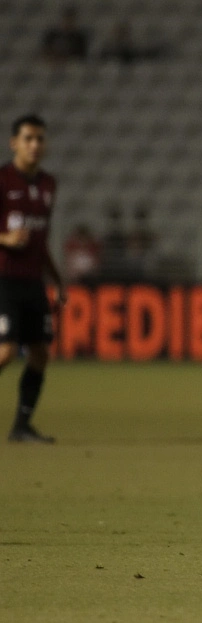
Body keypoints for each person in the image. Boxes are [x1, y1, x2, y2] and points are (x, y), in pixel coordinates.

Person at [0, 115, 66, 443]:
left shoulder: (48, 185)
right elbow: (10, 237)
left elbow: (41, 241)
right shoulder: (2, 180)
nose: (35, 145)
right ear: (14, 143)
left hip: (33, 282)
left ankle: (21, 427)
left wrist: (56, 279)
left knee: (40, 353)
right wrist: (5, 240)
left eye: (40, 139)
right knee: (5, 352)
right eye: (28, 138)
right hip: (4, 280)